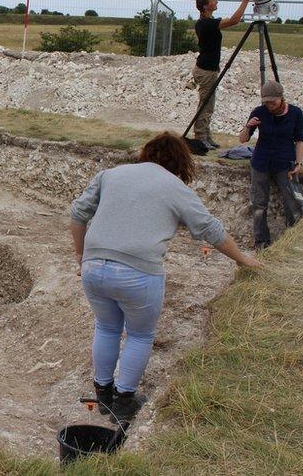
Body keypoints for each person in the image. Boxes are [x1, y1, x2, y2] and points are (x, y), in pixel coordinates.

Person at [70, 132, 260, 421]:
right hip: (138, 273)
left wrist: (81, 257)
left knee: (107, 328)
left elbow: (78, 213)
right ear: (181, 163)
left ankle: (103, 395)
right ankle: (123, 402)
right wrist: (244, 259)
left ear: (147, 153)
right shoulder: (175, 188)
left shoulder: (111, 174)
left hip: (94, 268)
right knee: (140, 334)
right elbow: (212, 230)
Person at [237, 80, 303, 249]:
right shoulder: (259, 112)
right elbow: (243, 139)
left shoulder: (296, 113)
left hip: (285, 163)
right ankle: (261, 243)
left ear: (281, 98)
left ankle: (293, 241)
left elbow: (299, 140)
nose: (269, 106)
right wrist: (248, 126)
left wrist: (298, 162)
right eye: (266, 102)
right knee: (259, 205)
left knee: (292, 203)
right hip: (261, 163)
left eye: (272, 102)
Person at [192, 0, 254, 148]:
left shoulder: (208, 22)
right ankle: (200, 137)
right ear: (206, 5)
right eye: (213, 0)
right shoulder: (206, 24)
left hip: (207, 68)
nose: (216, 1)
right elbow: (234, 20)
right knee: (206, 105)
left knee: (208, 105)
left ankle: (206, 135)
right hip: (206, 70)